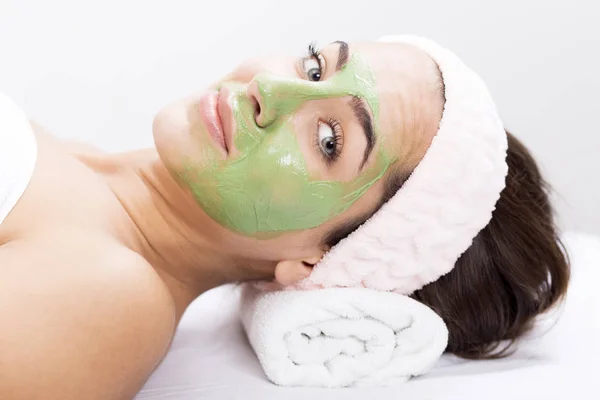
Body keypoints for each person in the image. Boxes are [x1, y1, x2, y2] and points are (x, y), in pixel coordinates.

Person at [0, 37, 569, 399]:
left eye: (328, 139)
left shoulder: (112, 298)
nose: (269, 89)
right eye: (317, 66)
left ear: (317, 260)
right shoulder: (75, 165)